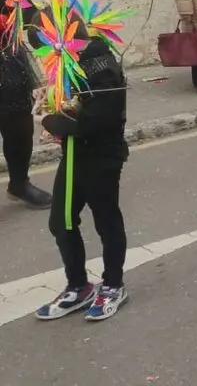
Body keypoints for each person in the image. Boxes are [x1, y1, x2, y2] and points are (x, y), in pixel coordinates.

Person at [34, 23, 130, 321]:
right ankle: (78, 286)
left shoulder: (103, 68)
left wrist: (48, 120)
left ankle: (113, 284)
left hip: (102, 156)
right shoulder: (72, 61)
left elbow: (92, 122)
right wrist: (51, 97)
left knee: (106, 220)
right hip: (74, 154)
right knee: (60, 222)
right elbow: (72, 105)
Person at [0, 0, 51, 208]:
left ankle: (19, 183)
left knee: (20, 128)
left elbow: (28, 15)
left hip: (8, 66)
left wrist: (49, 21)